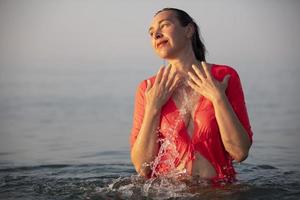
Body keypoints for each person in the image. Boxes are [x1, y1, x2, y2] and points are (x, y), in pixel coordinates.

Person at [130, 8, 253, 183]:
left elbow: (240, 152)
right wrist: (153, 107)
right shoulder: (148, 88)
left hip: (218, 192)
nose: (156, 34)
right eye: (151, 33)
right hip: (167, 192)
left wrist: (218, 98)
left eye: (164, 25)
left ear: (188, 30)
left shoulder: (223, 76)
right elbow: (142, 167)